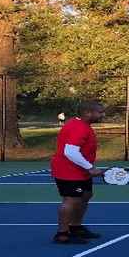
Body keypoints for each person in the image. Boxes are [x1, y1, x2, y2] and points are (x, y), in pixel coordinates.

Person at [50, 101, 106, 244]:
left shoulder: (84, 126)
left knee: (86, 195)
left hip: (80, 171)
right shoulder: (78, 127)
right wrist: (91, 168)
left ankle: (76, 228)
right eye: (100, 112)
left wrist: (88, 168)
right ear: (88, 113)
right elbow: (70, 152)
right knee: (72, 200)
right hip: (68, 171)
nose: (102, 115)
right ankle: (62, 233)